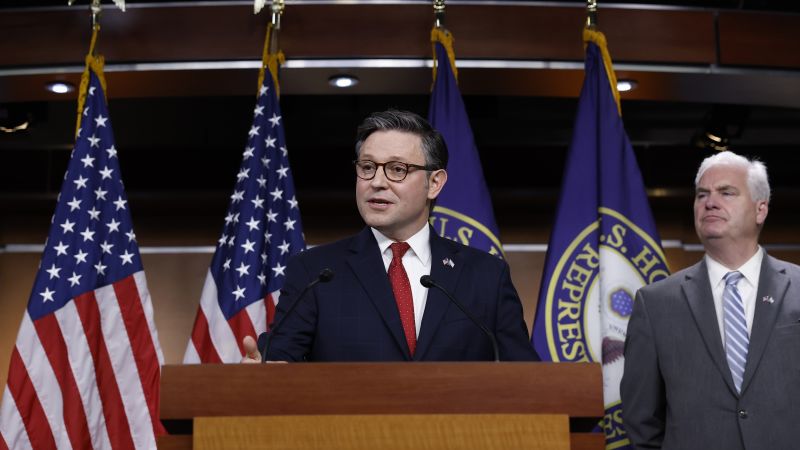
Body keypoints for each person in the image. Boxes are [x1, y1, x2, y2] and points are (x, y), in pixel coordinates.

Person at [242, 109, 538, 362]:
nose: (377, 182)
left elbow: (525, 379)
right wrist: (259, 373)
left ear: (435, 183)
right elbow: (279, 365)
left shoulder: (486, 276)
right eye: (367, 167)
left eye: (397, 169)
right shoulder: (315, 272)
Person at [621, 151, 800, 450]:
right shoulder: (654, 304)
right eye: (702, 194)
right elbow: (642, 422)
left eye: (726, 193)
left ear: (760, 210)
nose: (710, 202)